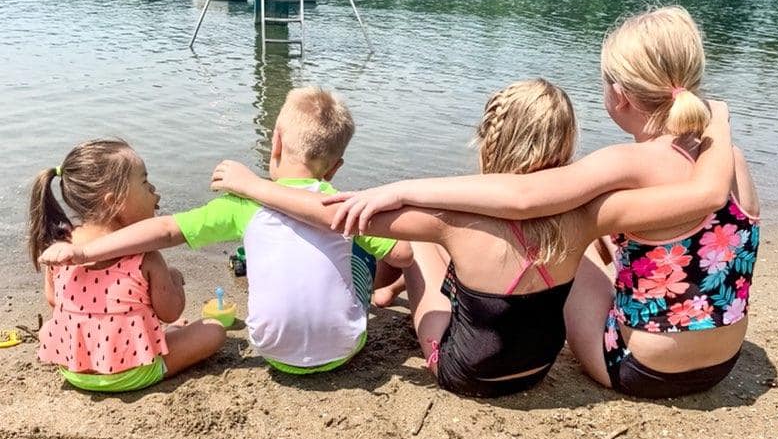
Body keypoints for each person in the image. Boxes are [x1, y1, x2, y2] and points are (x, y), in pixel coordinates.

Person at [317, 6, 760, 398]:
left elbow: (524, 196)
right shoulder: (730, 160)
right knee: (589, 238)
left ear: (620, 95)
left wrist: (403, 189)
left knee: (562, 244)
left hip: (639, 368)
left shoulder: (628, 162)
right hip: (721, 365)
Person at [207, 76, 734, 398]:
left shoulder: (451, 218)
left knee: (420, 253)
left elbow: (336, 214)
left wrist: (256, 188)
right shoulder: (591, 209)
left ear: (489, 138)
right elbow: (693, 201)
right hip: (538, 368)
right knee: (588, 254)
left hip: (465, 372)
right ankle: (388, 293)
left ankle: (390, 294)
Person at [39, 88, 412, 375]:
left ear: (276, 143)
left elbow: (166, 229)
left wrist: (86, 253)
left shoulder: (240, 204)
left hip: (273, 350)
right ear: (334, 169)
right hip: (344, 348)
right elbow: (403, 255)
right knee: (361, 249)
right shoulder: (346, 205)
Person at [28, 139, 226, 393]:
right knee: (214, 330)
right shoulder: (144, 256)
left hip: (73, 369)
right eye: (145, 182)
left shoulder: (61, 248)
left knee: (49, 328)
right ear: (113, 201)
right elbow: (171, 312)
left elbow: (54, 301)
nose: (155, 191)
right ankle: (158, 351)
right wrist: (175, 280)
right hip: (133, 373)